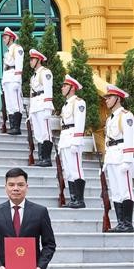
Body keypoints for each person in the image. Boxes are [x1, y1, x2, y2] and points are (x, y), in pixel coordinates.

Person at [102, 85, 134, 232]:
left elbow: (129, 138)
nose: (107, 100)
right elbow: (108, 141)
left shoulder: (126, 116)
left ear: (118, 99)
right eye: (106, 98)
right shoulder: (110, 119)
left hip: (122, 157)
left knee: (125, 191)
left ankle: (127, 223)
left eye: (109, 97)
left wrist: (128, 160)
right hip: (112, 157)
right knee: (116, 191)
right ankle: (120, 222)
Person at [58, 75, 86, 208]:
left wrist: (76, 141)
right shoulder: (66, 105)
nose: (62, 88)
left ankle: (80, 199)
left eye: (65, 86)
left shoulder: (78, 102)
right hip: (65, 139)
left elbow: (79, 123)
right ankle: (73, 198)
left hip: (73, 139)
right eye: (62, 85)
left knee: (76, 170)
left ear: (72, 88)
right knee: (68, 171)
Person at [28, 49, 54, 167]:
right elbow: (31, 93)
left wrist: (48, 106)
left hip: (43, 104)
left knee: (45, 132)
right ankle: (41, 158)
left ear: (38, 60)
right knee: (38, 133)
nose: (30, 62)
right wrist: (30, 110)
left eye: (32, 59)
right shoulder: (33, 76)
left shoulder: (45, 72)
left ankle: (47, 159)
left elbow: (48, 89)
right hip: (35, 105)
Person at [1, 27, 24, 135]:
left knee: (16, 103)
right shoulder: (8, 51)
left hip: (14, 78)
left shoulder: (17, 49)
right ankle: (12, 126)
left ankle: (17, 127)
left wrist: (17, 81)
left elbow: (19, 66)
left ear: (11, 38)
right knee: (9, 104)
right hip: (7, 79)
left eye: (5, 37)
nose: (4, 39)